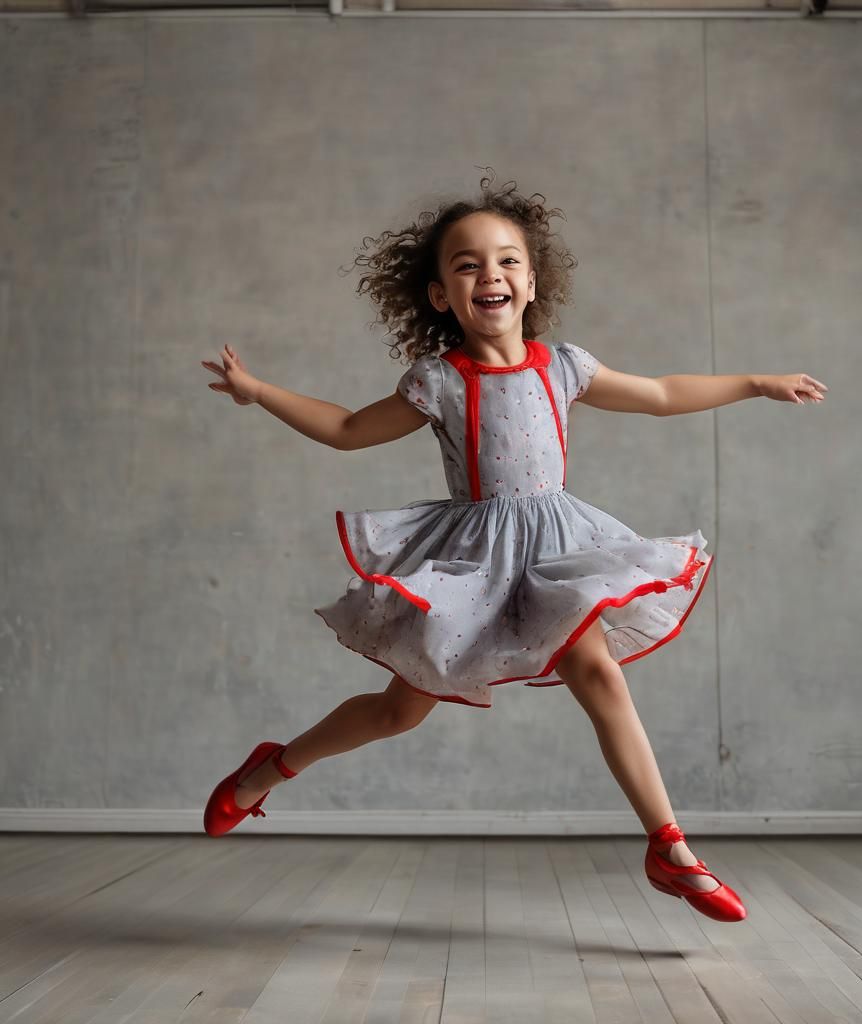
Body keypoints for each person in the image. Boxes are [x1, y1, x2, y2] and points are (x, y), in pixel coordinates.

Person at [200, 171, 827, 924]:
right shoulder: (437, 381)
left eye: (505, 261)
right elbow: (345, 430)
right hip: (476, 561)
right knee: (399, 713)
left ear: (530, 282)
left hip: (558, 551)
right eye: (466, 266)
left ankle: (669, 846)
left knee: (597, 672)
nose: (488, 275)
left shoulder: (564, 367)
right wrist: (259, 392)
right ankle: (271, 767)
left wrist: (755, 381)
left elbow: (662, 395)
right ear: (441, 296)